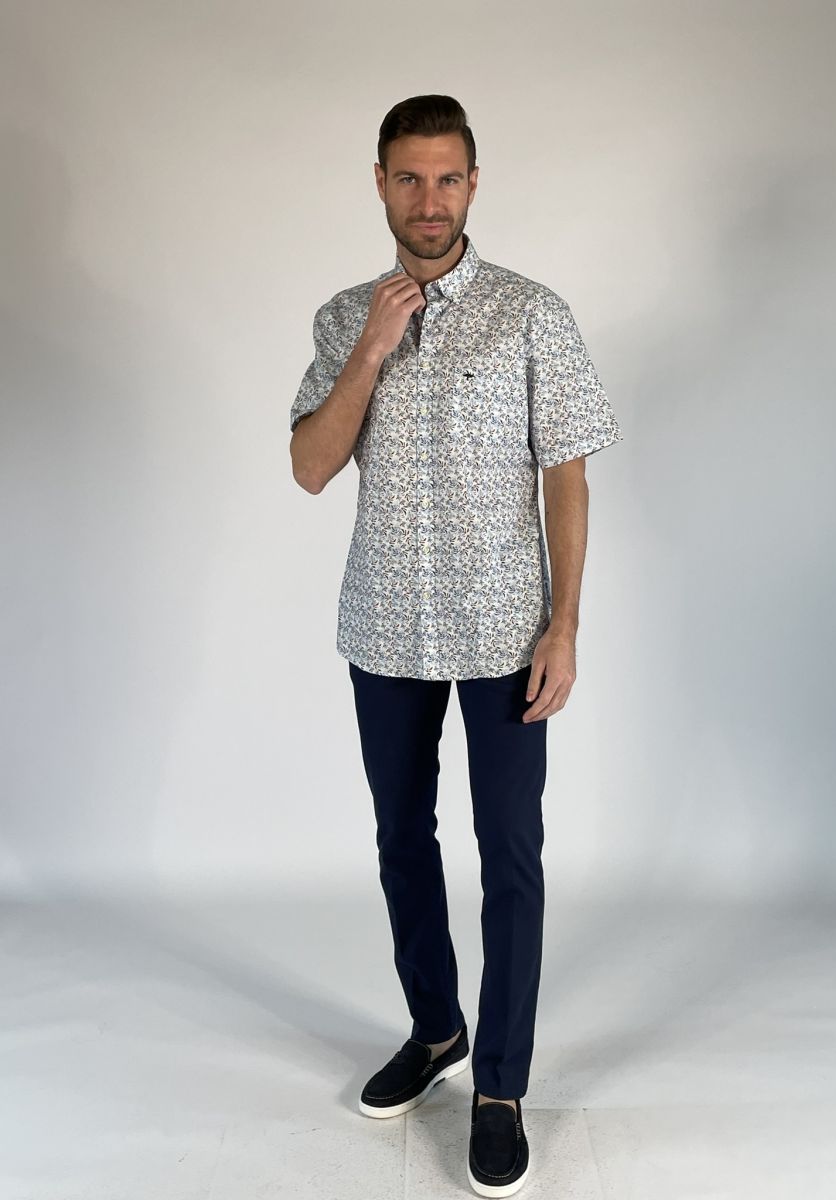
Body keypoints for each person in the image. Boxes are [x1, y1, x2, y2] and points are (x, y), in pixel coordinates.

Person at [288, 93, 622, 1197]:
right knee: (402, 838)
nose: (428, 200)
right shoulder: (344, 317)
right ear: (381, 184)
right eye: (408, 178)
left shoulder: (532, 314)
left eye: (446, 178)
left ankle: (502, 1087)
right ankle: (437, 1030)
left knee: (510, 850)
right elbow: (310, 466)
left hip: (504, 629)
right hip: (384, 624)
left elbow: (566, 475)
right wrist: (373, 350)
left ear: (474, 184)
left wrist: (564, 622)